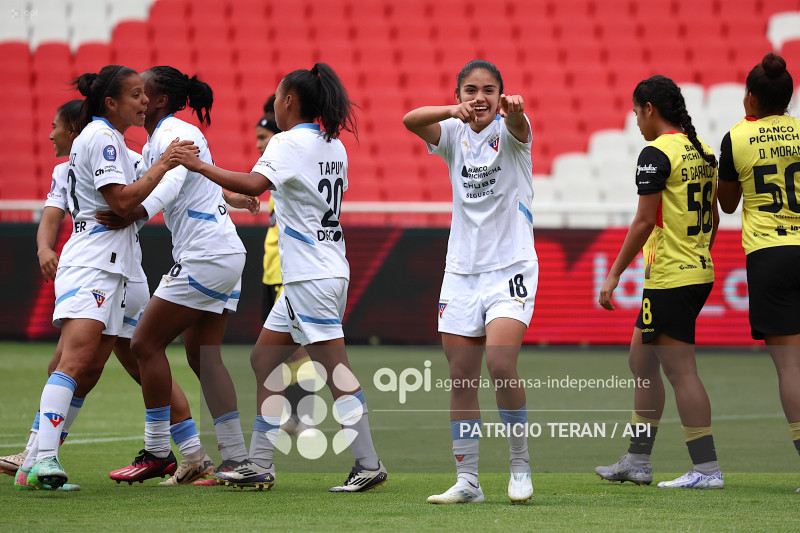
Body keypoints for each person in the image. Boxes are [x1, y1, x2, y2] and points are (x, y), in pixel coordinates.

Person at [171, 62, 388, 492]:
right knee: (263, 360)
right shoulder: (334, 145)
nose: (273, 100)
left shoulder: (288, 142)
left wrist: (198, 167)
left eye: (276, 94)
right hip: (320, 272)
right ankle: (260, 463)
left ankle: (368, 463)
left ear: (289, 100)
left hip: (311, 276)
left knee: (336, 371)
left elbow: (254, 184)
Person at [26, 65, 189, 490]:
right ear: (111, 103)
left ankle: (33, 460)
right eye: (135, 95)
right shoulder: (100, 138)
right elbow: (121, 201)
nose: (144, 101)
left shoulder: (112, 141)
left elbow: (150, 181)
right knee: (75, 360)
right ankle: (41, 458)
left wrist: (223, 191)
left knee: (94, 365)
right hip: (93, 262)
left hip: (116, 266)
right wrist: (166, 163)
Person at [101, 66, 253, 487]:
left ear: (161, 99)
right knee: (203, 357)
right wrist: (233, 197)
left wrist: (139, 212)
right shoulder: (164, 138)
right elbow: (198, 183)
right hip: (224, 251)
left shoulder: (172, 135)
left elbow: (174, 182)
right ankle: (234, 460)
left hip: (205, 255)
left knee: (143, 343)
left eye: (142, 89)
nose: (138, 95)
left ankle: (155, 451)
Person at [403, 59, 538, 504]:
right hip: (461, 271)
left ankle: (519, 466)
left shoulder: (514, 133)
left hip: (510, 268)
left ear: (501, 95)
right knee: (461, 378)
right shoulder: (452, 136)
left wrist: (514, 110)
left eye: (489, 90)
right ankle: (468, 481)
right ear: (459, 95)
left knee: (500, 365)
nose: (480, 98)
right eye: (470, 90)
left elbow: (518, 122)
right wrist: (449, 111)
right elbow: (409, 120)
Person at [595, 75, 723, 489]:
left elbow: (645, 220)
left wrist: (613, 274)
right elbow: (716, 218)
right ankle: (637, 460)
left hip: (672, 276)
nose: (635, 121)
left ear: (650, 109)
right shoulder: (701, 150)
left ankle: (706, 469)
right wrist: (695, 252)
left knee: (680, 371)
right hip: (695, 269)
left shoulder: (656, 153)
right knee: (642, 360)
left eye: (636, 112)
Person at [716, 53, 800, 492]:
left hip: (771, 255)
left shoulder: (737, 138)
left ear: (750, 97)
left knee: (790, 368)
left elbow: (728, 204)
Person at [256, 97, 316, 436]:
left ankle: (302, 416)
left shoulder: (286, 163)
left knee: (297, 349)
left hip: (286, 270)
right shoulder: (277, 170)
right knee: (283, 352)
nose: (259, 146)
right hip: (271, 269)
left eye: (263, 139)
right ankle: (288, 416)